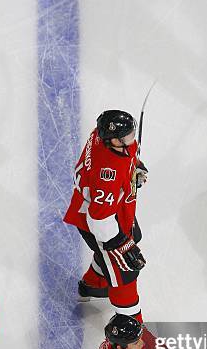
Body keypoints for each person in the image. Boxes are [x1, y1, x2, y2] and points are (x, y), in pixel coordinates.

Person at [64, 110, 149, 318]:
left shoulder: (100, 137)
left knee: (133, 237)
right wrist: (120, 243)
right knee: (125, 273)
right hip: (100, 220)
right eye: (126, 138)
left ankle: (95, 284)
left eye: (131, 135)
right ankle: (130, 331)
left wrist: (134, 166)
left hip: (114, 208)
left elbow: (126, 158)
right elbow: (99, 219)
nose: (132, 141)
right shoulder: (108, 173)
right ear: (111, 140)